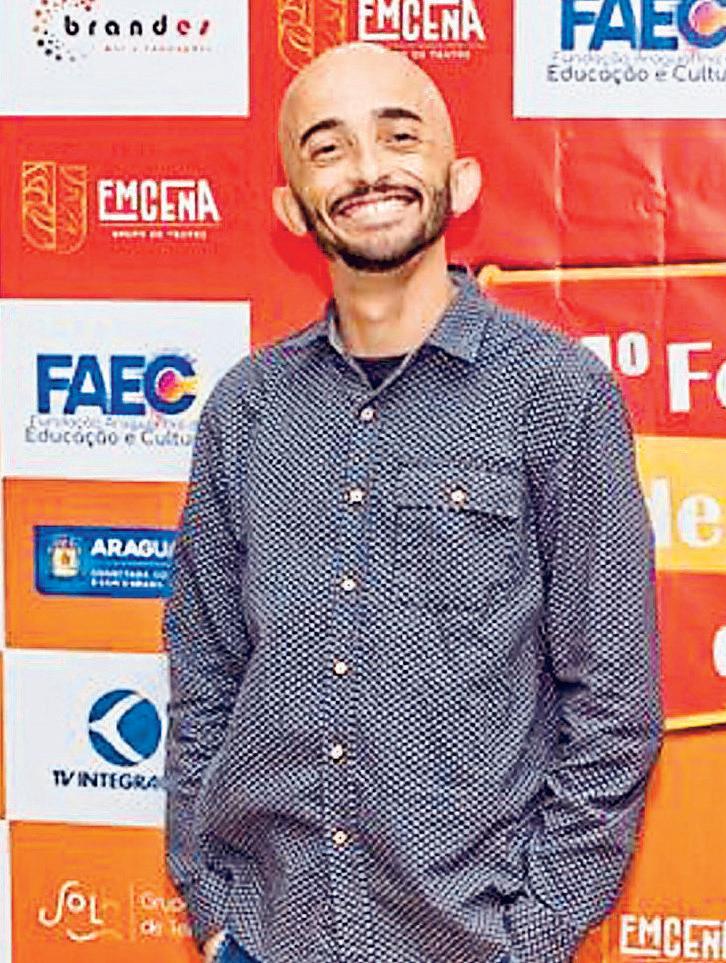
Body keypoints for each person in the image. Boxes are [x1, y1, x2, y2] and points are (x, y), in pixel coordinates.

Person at [163, 41, 663, 963]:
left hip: (472, 942)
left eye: (399, 136)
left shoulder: (554, 394)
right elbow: (205, 676)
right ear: (291, 206)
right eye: (326, 147)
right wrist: (212, 901)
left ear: (458, 180)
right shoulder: (245, 409)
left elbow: (613, 702)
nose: (366, 168)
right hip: (266, 938)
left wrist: (533, 933)